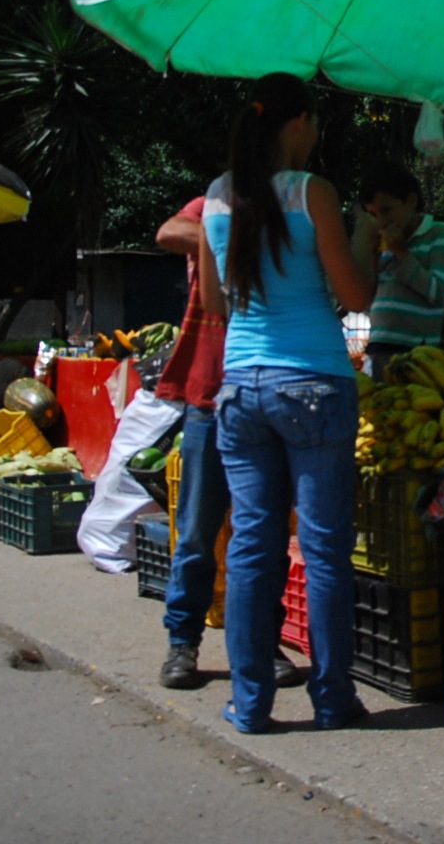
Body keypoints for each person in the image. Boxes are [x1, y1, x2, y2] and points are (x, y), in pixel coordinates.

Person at [198, 73, 377, 734]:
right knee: (325, 550)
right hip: (314, 385)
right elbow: (355, 295)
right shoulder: (315, 194)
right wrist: (364, 239)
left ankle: (250, 704)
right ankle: (332, 700)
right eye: (317, 122)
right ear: (298, 124)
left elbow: (216, 305)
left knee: (252, 546)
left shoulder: (216, 198)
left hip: (241, 388)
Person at [156, 194, 304, 690]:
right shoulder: (216, 202)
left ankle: (263, 640)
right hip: (209, 396)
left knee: (261, 534)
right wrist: (219, 238)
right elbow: (167, 232)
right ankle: (183, 642)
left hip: (267, 392)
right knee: (198, 529)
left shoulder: (290, 207)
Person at [353, 161, 444, 380]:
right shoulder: (383, 244)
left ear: (410, 201)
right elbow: (369, 298)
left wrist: (402, 253)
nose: (381, 221)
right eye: (373, 214)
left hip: (416, 353)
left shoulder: (438, 234)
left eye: (387, 210)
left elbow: (437, 292)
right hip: (378, 345)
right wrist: (371, 255)